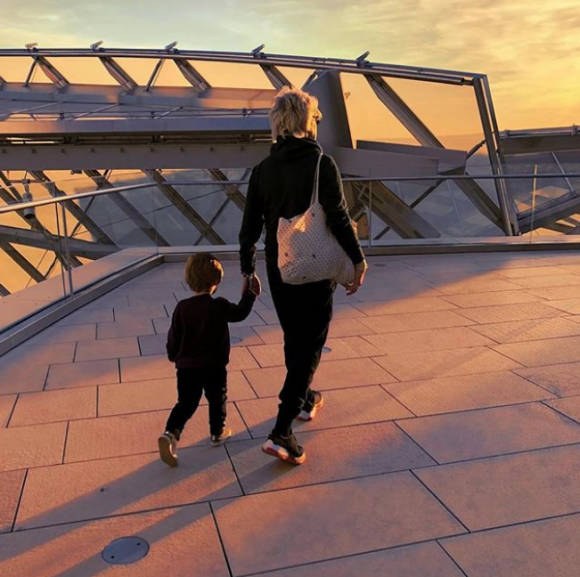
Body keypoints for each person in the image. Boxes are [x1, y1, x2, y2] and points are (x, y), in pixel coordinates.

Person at [239, 86, 368, 465]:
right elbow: (340, 217)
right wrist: (358, 261)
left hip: (280, 267)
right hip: (316, 267)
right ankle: (281, 431)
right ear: (305, 120)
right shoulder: (321, 164)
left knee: (296, 337)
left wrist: (248, 269)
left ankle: (306, 398)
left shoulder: (262, 170)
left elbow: (249, 227)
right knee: (310, 344)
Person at [158, 253, 260, 467]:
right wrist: (250, 294)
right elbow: (240, 313)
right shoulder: (219, 305)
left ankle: (171, 433)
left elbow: (174, 336)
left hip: (187, 368)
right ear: (217, 281)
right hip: (214, 365)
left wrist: (174, 355)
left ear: (189, 279)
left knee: (186, 403)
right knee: (217, 398)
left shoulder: (182, 307)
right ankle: (217, 432)